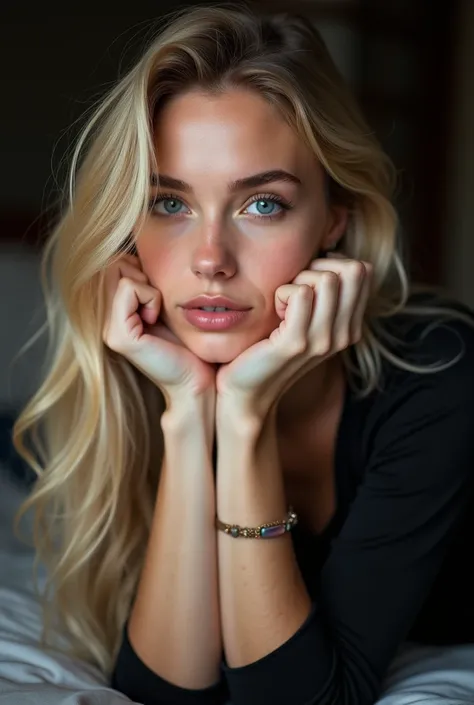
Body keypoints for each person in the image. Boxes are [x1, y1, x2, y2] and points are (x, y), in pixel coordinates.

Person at [12, 4, 474, 705]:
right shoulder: (147, 369)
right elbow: (166, 693)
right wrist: (189, 408)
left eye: (262, 205)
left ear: (334, 219)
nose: (209, 260)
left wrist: (248, 414)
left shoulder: (442, 372)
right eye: (169, 203)